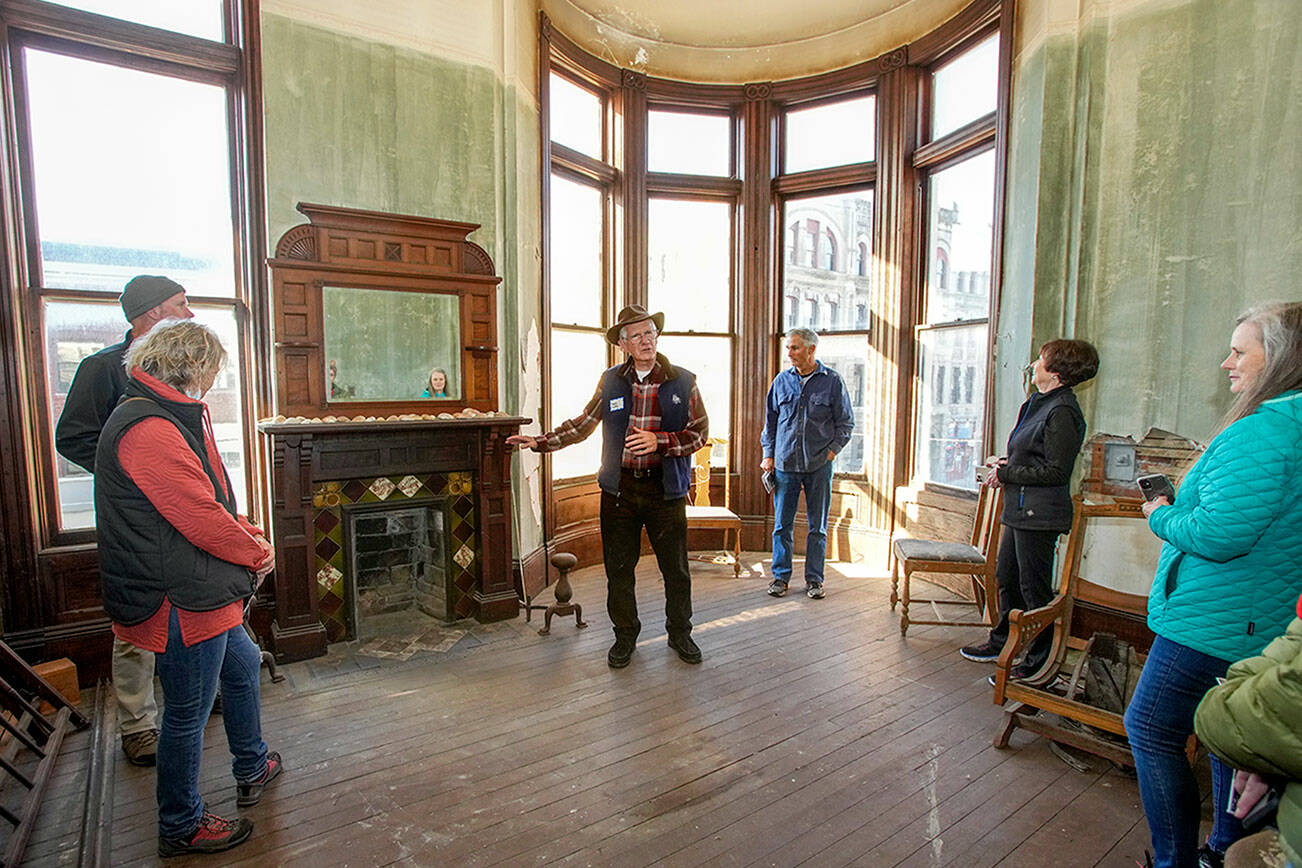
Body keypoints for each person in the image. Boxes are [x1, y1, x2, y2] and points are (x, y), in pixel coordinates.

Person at [94, 319, 282, 857]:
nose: (213, 383)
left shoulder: (168, 416)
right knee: (187, 713)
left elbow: (210, 495)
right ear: (191, 368)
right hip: (180, 595)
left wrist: (245, 528)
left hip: (198, 586)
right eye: (211, 372)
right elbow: (197, 514)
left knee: (243, 667)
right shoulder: (148, 428)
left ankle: (252, 764)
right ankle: (180, 822)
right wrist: (256, 553)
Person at [1125, 301, 1302, 868]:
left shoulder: (1262, 432)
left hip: (1216, 614)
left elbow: (1220, 534)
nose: (1227, 362)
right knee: (1233, 737)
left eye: (1239, 350)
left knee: (1150, 726)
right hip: (1260, 612)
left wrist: (1158, 511)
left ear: (1277, 358)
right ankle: (1223, 851)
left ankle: (1176, 860)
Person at [507, 305, 709, 668]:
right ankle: (625, 636)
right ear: (623, 344)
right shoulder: (612, 381)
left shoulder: (683, 381)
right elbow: (583, 424)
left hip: (666, 491)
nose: (647, 340)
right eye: (637, 336)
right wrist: (539, 441)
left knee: (675, 570)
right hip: (620, 492)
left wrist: (659, 441)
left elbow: (699, 433)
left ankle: (680, 633)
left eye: (650, 333)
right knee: (619, 570)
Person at [55, 274, 193, 767]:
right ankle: (138, 724)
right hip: (131, 516)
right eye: (182, 303)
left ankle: (195, 695)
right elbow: (71, 438)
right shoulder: (100, 369)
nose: (191, 313)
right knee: (135, 617)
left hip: (182, 511)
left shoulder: (180, 371)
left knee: (194, 602)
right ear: (153, 312)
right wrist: (131, 470)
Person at [958, 338, 1099, 681]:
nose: (1034, 364)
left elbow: (1056, 471)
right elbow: (1034, 455)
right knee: (1007, 578)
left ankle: (1038, 664)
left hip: (1040, 515)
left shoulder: (1062, 410)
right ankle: (1003, 642)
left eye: (1040, 359)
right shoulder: (1039, 402)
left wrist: (1004, 473)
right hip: (1020, 509)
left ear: (1056, 371)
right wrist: (1007, 463)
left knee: (1035, 590)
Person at [1194, 590, 1302, 868]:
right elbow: (1296, 639)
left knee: (1148, 726)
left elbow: (1224, 718)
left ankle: (1199, 853)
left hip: (1226, 621)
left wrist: (1259, 720)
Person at [759, 328, 854, 599]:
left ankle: (814, 580)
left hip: (819, 465)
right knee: (782, 526)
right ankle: (780, 578)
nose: (789, 353)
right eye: (788, 348)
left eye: (795, 348)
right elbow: (771, 422)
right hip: (785, 464)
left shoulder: (832, 382)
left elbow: (845, 423)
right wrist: (768, 455)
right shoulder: (781, 382)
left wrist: (832, 452)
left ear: (811, 350)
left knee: (818, 527)